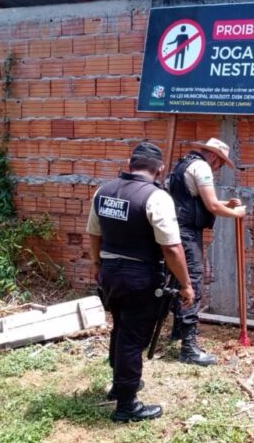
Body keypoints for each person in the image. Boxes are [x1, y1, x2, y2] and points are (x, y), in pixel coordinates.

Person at [87, 142, 195, 423]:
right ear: (159, 169)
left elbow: (94, 233)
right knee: (133, 339)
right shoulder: (156, 198)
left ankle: (119, 384)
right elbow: (172, 248)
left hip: (110, 273)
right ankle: (127, 405)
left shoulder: (104, 191)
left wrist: (98, 265)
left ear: (130, 162)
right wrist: (186, 284)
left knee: (121, 329)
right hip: (139, 277)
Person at [168, 137, 246, 366]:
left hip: (175, 228)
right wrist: (237, 213)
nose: (219, 167)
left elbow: (198, 200)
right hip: (187, 232)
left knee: (176, 280)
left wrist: (227, 205)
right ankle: (189, 349)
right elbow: (211, 206)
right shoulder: (202, 167)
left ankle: (177, 332)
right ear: (213, 155)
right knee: (192, 282)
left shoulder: (184, 164)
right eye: (220, 162)